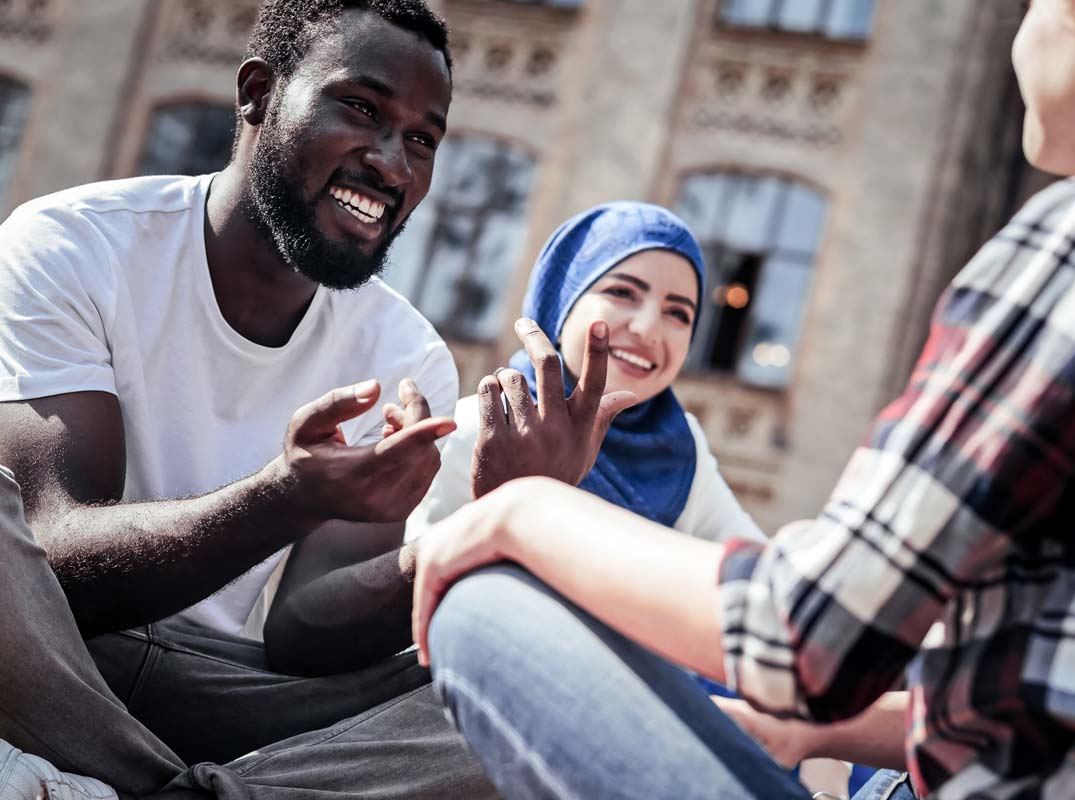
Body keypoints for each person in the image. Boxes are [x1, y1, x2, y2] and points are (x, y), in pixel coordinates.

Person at [410, 0, 1075, 798]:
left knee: (487, 609)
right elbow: (1061, 688)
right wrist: (822, 729)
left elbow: (811, 632)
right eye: (623, 293)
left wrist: (525, 510)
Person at [0, 0, 625, 797]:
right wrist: (281, 499)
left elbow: (305, 637)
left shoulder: (405, 356)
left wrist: (488, 526)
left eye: (423, 140)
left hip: (228, 691)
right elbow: (53, 553)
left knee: (546, 687)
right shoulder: (72, 245)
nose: (394, 165)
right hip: (47, 659)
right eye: (363, 108)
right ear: (258, 94)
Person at [407, 201, 767, 544]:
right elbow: (415, 584)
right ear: (561, 306)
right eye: (623, 292)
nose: (648, 329)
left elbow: (757, 569)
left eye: (678, 313)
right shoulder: (484, 427)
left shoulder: (681, 448)